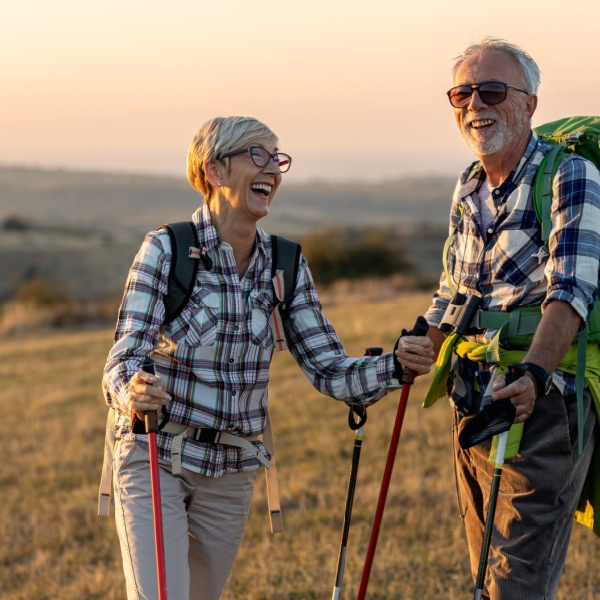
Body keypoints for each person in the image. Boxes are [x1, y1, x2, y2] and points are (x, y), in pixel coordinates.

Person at [102, 115, 434, 600]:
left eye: (278, 160)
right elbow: (123, 356)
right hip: (156, 456)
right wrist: (132, 390)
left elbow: (330, 370)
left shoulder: (286, 264)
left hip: (232, 468)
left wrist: (397, 365)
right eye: (257, 156)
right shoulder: (167, 250)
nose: (273, 171)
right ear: (214, 170)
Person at [423, 38, 600, 599]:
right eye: (462, 92)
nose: (475, 103)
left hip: (543, 399)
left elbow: (572, 290)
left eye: (492, 90)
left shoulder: (569, 174)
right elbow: (453, 291)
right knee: (484, 569)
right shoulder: (468, 184)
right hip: (471, 397)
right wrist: (416, 345)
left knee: (514, 582)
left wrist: (533, 374)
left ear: (529, 104)